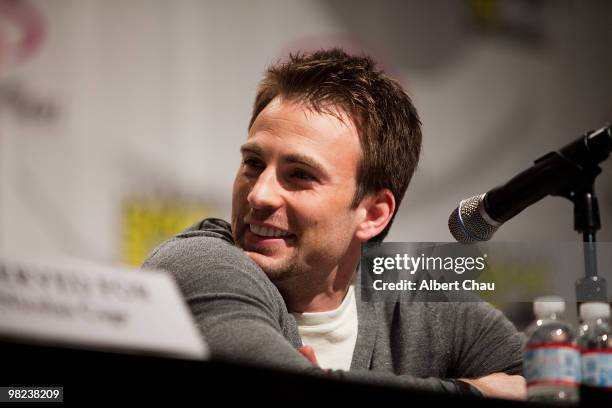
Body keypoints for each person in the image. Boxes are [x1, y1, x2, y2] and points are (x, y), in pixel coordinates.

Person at [143, 48, 525, 399]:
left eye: (299, 175)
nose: (259, 195)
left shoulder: (414, 299)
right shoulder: (199, 263)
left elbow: (559, 380)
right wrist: (475, 392)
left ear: (373, 214)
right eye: (253, 164)